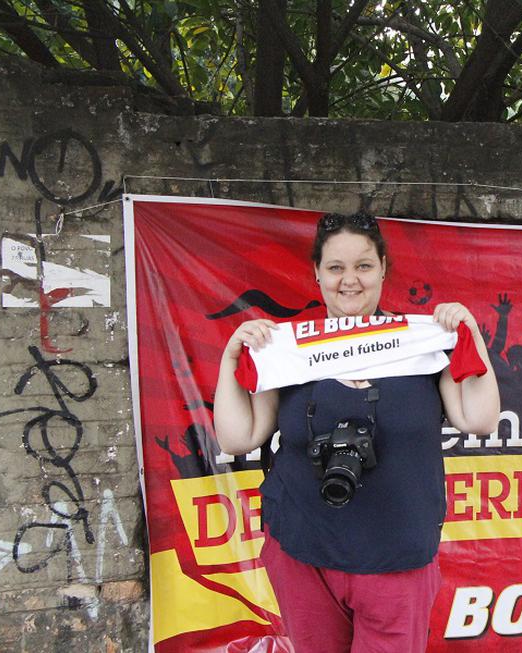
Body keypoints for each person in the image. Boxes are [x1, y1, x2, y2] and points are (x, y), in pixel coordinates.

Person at [213, 211, 500, 653]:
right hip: (303, 549)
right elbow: (238, 438)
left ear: (384, 267)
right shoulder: (289, 350)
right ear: (317, 273)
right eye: (336, 267)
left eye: (363, 265)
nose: (350, 280)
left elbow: (479, 419)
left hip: (395, 556)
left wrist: (470, 335)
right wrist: (231, 360)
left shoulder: (423, 343)